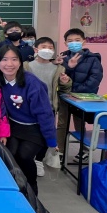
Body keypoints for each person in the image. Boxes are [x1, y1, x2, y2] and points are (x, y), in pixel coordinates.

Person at [0, 45, 56, 195]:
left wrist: (51, 140)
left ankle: (31, 189)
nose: (9, 64)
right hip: (13, 125)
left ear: (20, 62)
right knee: (10, 154)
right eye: (5, 59)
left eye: (14, 59)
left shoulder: (31, 83)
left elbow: (45, 114)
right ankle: (15, 188)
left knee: (24, 155)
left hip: (34, 127)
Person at [24, 37, 72, 176]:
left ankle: (39, 160)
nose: (47, 50)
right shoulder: (27, 66)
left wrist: (65, 82)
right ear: (36, 49)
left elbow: (63, 90)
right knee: (30, 134)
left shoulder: (59, 69)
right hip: (28, 108)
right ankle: (29, 159)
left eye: (50, 48)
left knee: (46, 134)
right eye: (43, 47)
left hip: (49, 107)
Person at [56, 28, 103, 161]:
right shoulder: (63, 57)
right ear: (65, 43)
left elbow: (95, 79)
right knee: (62, 123)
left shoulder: (93, 59)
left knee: (79, 123)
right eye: (70, 41)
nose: (74, 43)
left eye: (77, 40)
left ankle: (84, 150)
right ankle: (60, 151)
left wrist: (75, 91)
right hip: (64, 96)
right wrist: (68, 68)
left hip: (82, 98)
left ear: (84, 41)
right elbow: (59, 75)